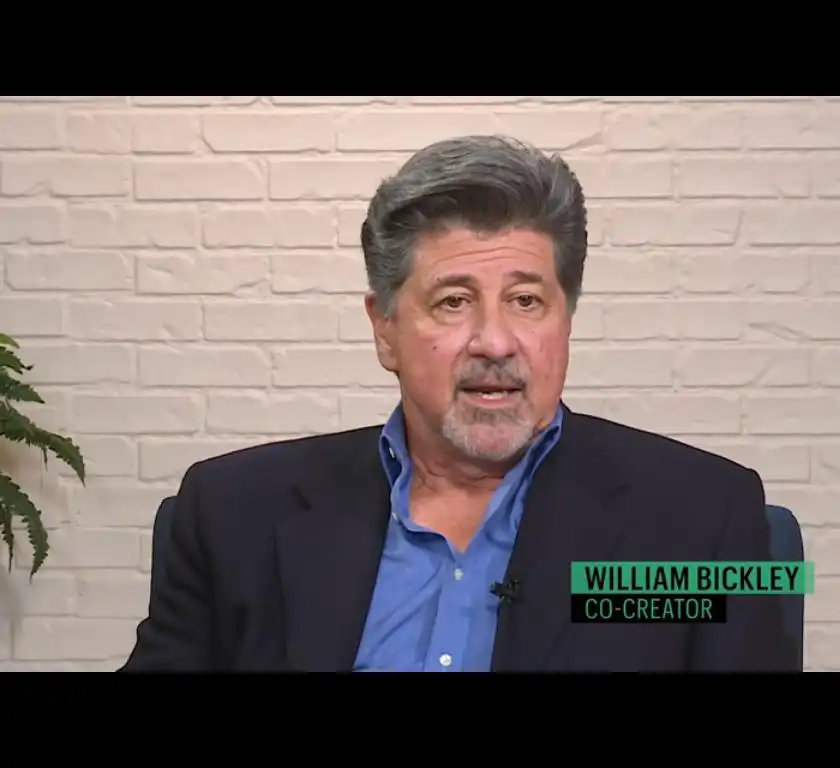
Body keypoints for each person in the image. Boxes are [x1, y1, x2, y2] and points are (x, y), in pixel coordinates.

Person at [121, 135, 792, 672]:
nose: (494, 340)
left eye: (526, 300)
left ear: (566, 320)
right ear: (385, 329)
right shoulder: (233, 513)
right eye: (453, 301)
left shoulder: (701, 522)